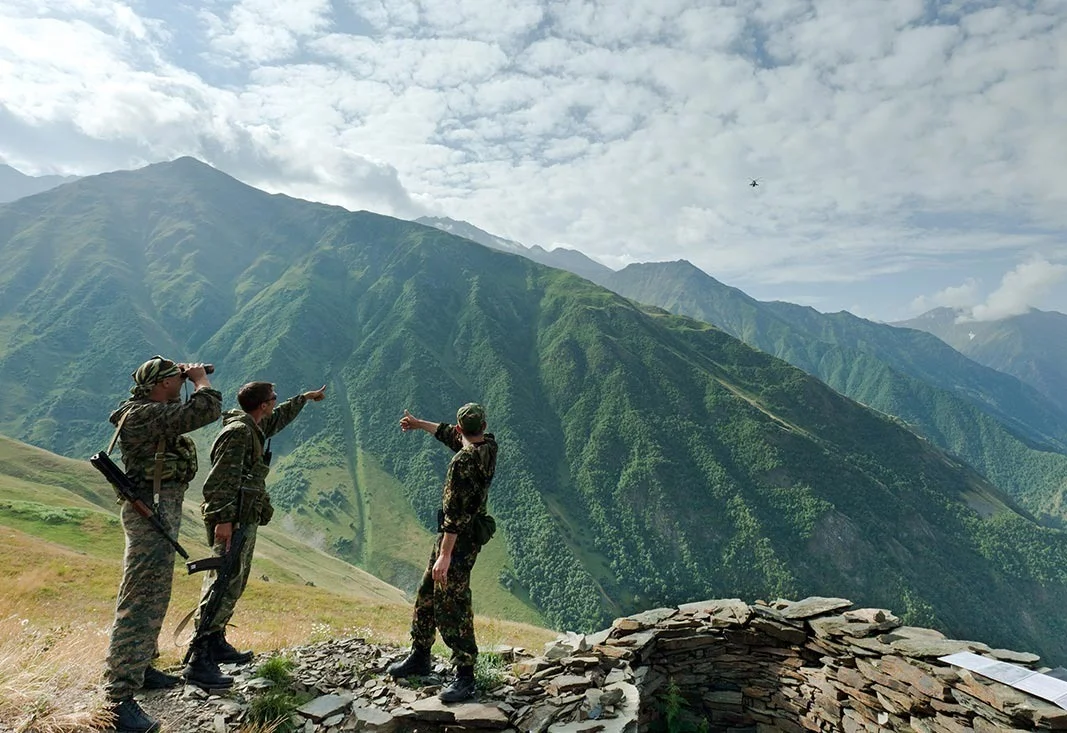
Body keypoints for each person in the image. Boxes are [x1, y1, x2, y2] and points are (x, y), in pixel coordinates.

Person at [103, 357, 221, 733]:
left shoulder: (152, 409)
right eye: (173, 377)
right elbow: (206, 408)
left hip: (159, 508)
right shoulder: (143, 416)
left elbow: (178, 412)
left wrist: (181, 379)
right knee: (141, 600)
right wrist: (199, 380)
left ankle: (141, 668)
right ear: (157, 385)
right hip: (149, 512)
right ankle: (117, 699)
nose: (180, 379)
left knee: (156, 593)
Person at [183, 381, 326, 682]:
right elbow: (220, 479)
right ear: (262, 405)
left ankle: (217, 641)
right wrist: (223, 520)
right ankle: (199, 658)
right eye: (273, 398)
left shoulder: (254, 426)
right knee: (221, 582)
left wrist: (303, 398)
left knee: (234, 580)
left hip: (243, 516)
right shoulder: (238, 433)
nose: (276, 402)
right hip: (231, 520)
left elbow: (278, 419)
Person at [388, 402, 498, 703]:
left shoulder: (463, 462)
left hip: (458, 541)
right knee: (427, 591)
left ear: (463, 428)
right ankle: (420, 654)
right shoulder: (488, 446)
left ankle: (466, 675)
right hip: (460, 536)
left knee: (453, 602)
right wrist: (419, 422)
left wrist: (445, 555)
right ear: (484, 427)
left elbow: (454, 513)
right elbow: (451, 433)